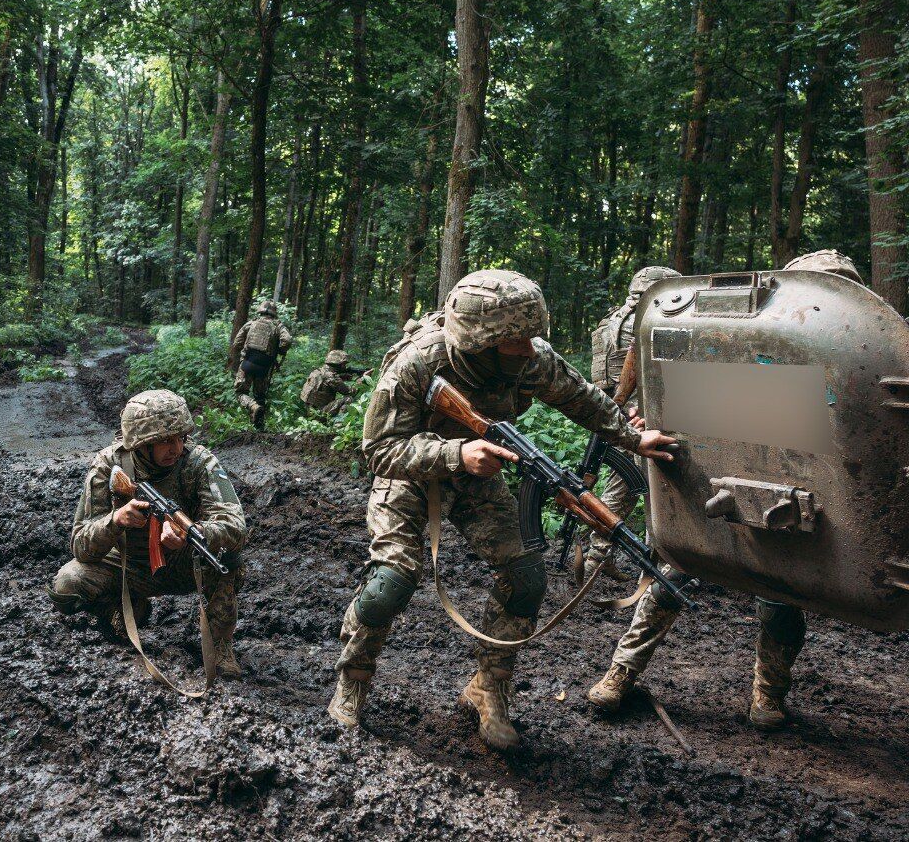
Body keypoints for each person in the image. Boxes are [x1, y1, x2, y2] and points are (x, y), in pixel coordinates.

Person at [328, 270, 677, 749]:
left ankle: (488, 688)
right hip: (411, 471)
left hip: (481, 473)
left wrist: (633, 437)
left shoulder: (531, 360)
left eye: (530, 337)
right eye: (514, 341)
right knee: (391, 580)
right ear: (477, 342)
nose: (528, 349)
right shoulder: (418, 365)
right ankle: (353, 681)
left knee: (527, 577)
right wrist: (456, 455)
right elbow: (379, 450)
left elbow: (583, 400)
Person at [586, 249, 866, 730]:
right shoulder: (748, 346)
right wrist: (643, 421)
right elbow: (688, 410)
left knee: (779, 600)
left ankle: (767, 696)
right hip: (717, 497)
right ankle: (620, 675)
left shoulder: (851, 366)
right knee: (672, 581)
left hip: (785, 506)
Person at [46, 390, 248, 676]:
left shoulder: (199, 462)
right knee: (67, 583)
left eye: (181, 438)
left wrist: (197, 531)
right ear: (140, 442)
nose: (175, 448)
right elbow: (80, 544)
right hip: (128, 567)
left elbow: (235, 526)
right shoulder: (109, 464)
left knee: (228, 560)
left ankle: (220, 644)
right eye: (165, 441)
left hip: (184, 563)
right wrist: (116, 520)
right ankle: (122, 610)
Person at [582, 266, 682, 581]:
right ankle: (657, 567)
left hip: (612, 415)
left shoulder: (608, 323)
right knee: (661, 491)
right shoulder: (657, 321)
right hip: (645, 418)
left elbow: (601, 382)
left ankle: (597, 558)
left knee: (617, 488)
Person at [232, 301, 293, 429]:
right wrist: (280, 350)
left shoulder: (251, 323)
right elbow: (287, 340)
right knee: (260, 396)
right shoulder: (278, 326)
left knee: (240, 392)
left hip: (247, 363)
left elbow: (237, 343)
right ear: (274, 313)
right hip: (265, 367)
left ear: (260, 311)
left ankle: (253, 407)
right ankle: (259, 427)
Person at [301, 349, 360, 417]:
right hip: (319, 414)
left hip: (309, 411)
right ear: (337, 364)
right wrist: (361, 381)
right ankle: (338, 424)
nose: (344, 366)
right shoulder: (331, 377)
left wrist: (343, 377)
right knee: (348, 399)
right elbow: (350, 392)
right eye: (343, 364)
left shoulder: (317, 371)